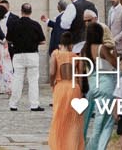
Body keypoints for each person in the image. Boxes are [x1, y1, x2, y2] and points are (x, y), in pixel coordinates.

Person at [49, 15, 87, 150]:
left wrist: (51, 83)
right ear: (71, 44)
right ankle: (73, 145)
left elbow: (52, 72)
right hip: (73, 87)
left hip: (60, 86)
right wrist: (81, 90)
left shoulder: (55, 54)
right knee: (74, 119)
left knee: (59, 117)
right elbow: (81, 74)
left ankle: (59, 144)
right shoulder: (76, 56)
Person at [8, 2, 48, 112]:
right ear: (30, 12)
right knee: (33, 81)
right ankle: (34, 105)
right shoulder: (35, 24)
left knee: (17, 79)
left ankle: (13, 104)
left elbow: (9, 39)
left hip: (18, 54)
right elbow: (43, 41)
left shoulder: (14, 24)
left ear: (21, 11)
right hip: (32, 54)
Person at [84, 42, 119, 150]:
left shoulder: (84, 49)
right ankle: (97, 147)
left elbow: (81, 68)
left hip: (91, 82)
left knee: (85, 119)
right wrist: (115, 51)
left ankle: (82, 145)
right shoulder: (102, 48)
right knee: (105, 122)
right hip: (105, 83)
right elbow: (115, 63)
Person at [0, 0, 15, 97]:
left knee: (2, 68)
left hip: (0, 47)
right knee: (0, 68)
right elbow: (1, 35)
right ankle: (2, 87)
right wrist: (5, 41)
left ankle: (3, 87)